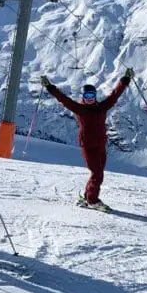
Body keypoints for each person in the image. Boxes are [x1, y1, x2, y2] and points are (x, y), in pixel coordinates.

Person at [40, 68, 134, 210]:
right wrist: (49, 87)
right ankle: (92, 200)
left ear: (95, 96)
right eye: (87, 95)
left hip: (101, 144)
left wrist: (125, 80)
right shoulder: (79, 109)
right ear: (83, 96)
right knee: (97, 174)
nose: (89, 98)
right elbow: (63, 99)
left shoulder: (102, 107)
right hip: (88, 146)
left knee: (98, 173)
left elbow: (115, 95)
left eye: (92, 95)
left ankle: (87, 196)